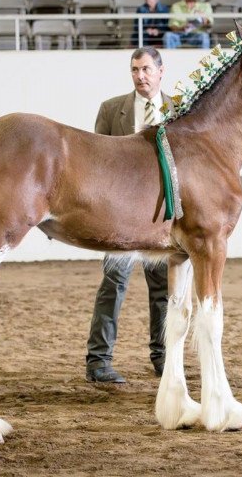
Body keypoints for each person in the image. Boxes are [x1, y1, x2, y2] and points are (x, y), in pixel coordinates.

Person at [86, 47, 173, 384]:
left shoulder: (179, 109)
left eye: (147, 69)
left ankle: (163, 358)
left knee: (165, 290)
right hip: (120, 218)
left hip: (162, 216)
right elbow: (96, 164)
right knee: (112, 285)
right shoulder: (111, 111)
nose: (140, 76)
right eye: (135, 70)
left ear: (161, 71)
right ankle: (98, 362)